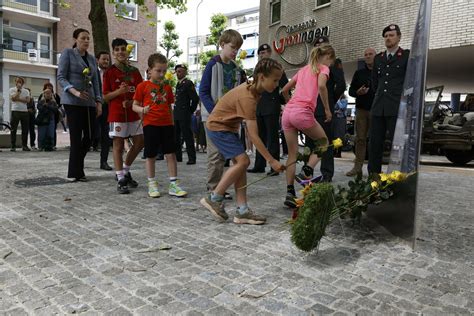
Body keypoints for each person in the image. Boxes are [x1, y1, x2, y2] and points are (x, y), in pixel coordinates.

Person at [200, 58, 285, 225]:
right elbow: (253, 135)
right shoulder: (248, 98)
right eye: (275, 80)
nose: (277, 85)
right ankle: (214, 198)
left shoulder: (255, 91)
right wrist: (272, 160)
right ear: (261, 77)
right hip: (218, 126)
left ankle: (242, 211)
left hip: (228, 127)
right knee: (244, 161)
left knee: (240, 165)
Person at [280, 45, 335, 208]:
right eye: (331, 61)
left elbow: (284, 90)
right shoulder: (323, 68)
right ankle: (308, 170)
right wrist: (326, 109)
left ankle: (290, 193)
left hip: (288, 114)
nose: (330, 65)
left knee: (292, 154)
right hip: (303, 112)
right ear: (328, 57)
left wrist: (289, 103)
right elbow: (321, 86)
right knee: (324, 142)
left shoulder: (303, 70)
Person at [199, 29, 247, 200]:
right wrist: (214, 112)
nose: (235, 52)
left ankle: (221, 186)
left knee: (232, 154)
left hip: (230, 118)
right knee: (215, 155)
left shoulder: (236, 69)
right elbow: (203, 92)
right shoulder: (213, 64)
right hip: (212, 117)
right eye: (233, 48)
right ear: (222, 44)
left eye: (237, 49)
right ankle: (213, 188)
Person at [132, 53, 187, 198]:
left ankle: (173, 184)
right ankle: (152, 183)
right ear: (149, 70)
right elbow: (134, 106)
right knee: (151, 154)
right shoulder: (142, 86)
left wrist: (172, 122)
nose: (162, 74)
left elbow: (169, 106)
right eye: (158, 71)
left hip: (167, 124)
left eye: (164, 71)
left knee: (171, 153)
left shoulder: (167, 87)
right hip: (150, 124)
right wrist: (142, 110)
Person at [57, 28, 102, 182]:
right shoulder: (68, 53)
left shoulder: (91, 59)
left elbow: (96, 81)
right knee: (76, 138)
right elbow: (61, 77)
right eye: (83, 38)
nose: (86, 41)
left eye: (88, 38)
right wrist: (74, 91)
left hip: (89, 103)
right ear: (76, 39)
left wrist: (98, 101)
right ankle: (77, 172)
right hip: (72, 102)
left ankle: (76, 166)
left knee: (90, 137)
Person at [299, 37, 346, 183]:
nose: (319, 48)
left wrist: (330, 100)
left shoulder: (333, 63)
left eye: (322, 45)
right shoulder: (311, 65)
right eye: (317, 45)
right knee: (310, 143)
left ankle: (326, 173)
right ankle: (308, 172)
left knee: (325, 142)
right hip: (310, 107)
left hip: (324, 108)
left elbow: (341, 85)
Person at [103, 38, 144, 194]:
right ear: (113, 53)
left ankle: (125, 169)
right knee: (118, 145)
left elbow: (141, 92)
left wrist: (136, 104)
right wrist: (119, 92)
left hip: (133, 113)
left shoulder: (134, 71)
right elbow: (105, 97)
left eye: (123, 49)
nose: (120, 52)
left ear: (127, 52)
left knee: (140, 142)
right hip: (117, 114)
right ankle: (120, 178)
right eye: (117, 49)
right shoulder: (109, 72)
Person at [368, 24, 409, 175]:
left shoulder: (405, 56)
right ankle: (373, 178)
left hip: (397, 107)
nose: (388, 38)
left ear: (399, 37)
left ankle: (399, 176)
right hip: (379, 107)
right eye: (386, 36)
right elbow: (374, 83)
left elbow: (410, 81)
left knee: (397, 145)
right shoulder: (378, 58)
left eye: (391, 35)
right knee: (374, 144)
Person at [248, 43, 289, 176]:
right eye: (260, 53)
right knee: (260, 137)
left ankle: (274, 167)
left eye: (265, 52)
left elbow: (285, 86)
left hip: (271, 106)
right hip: (259, 106)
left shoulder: (276, 68)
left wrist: (284, 101)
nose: (262, 55)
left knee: (272, 138)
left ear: (270, 53)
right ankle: (259, 165)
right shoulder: (258, 70)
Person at [346, 47, 376, 176]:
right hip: (361, 110)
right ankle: (357, 168)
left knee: (375, 140)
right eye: (366, 55)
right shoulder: (359, 73)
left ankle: (374, 170)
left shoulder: (380, 72)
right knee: (360, 139)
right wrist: (357, 92)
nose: (368, 56)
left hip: (376, 110)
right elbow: (351, 91)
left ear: (376, 56)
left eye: (370, 54)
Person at [173, 64, 199, 165]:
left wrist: (190, 111)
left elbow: (195, 99)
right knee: (176, 137)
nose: (179, 73)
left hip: (184, 114)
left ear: (185, 72)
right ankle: (178, 157)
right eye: (178, 71)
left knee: (187, 136)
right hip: (177, 114)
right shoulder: (178, 84)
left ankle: (192, 158)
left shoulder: (188, 83)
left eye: (181, 71)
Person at [95, 51, 113, 171]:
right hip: (95, 105)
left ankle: (104, 162)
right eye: (103, 59)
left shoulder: (111, 73)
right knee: (91, 134)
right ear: (98, 60)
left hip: (107, 106)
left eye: (107, 59)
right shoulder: (93, 72)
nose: (106, 61)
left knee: (106, 135)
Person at [9, 77, 31, 151]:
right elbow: (13, 98)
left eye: (20, 82)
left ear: (22, 83)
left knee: (25, 129)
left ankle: (24, 146)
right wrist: (18, 91)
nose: (19, 83)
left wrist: (17, 99)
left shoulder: (26, 91)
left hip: (24, 111)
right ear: (15, 82)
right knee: (13, 129)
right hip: (15, 111)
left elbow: (28, 101)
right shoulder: (12, 89)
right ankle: (13, 146)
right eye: (17, 81)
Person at [38, 82, 61, 150]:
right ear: (44, 94)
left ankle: (51, 146)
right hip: (42, 120)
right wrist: (46, 106)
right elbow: (39, 108)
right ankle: (40, 146)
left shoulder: (53, 102)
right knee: (41, 134)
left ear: (51, 94)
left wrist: (47, 106)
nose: (48, 94)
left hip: (51, 119)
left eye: (49, 93)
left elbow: (55, 109)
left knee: (51, 133)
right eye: (46, 93)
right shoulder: (41, 101)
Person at [333, 94, 348, 158]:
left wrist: (338, 101)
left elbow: (342, 107)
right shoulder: (334, 99)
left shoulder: (344, 100)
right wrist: (336, 111)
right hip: (335, 119)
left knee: (340, 135)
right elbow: (333, 109)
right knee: (335, 135)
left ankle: (339, 152)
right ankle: (334, 151)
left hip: (341, 119)